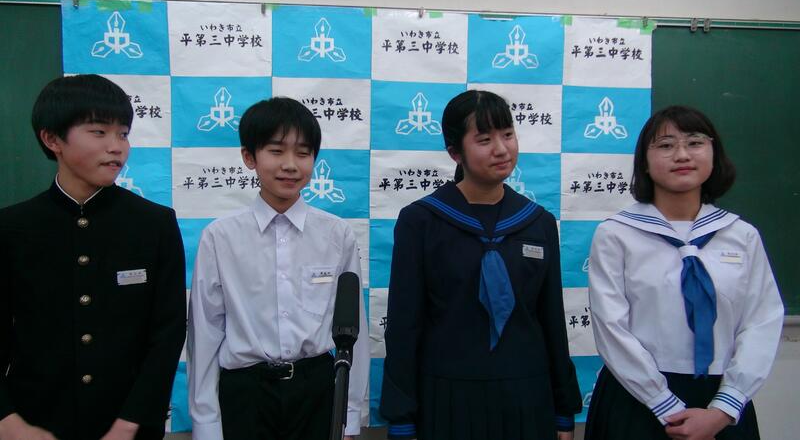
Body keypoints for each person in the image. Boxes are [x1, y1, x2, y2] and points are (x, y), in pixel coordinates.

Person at [379, 89, 582, 440]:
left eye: (508, 134)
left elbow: (551, 319)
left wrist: (564, 410)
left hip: (527, 396)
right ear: (455, 152)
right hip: (447, 396)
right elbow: (404, 325)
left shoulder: (538, 223)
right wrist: (401, 418)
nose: (501, 149)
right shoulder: (421, 222)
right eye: (484, 139)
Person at [0, 74, 187, 440]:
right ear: (52, 139)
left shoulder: (154, 224)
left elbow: (167, 333)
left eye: (123, 134)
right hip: (33, 423)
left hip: (128, 425)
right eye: (99, 132)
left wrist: (131, 422)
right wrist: (8, 421)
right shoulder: (12, 227)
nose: (116, 147)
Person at [585, 106, 784, 440]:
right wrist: (663, 403)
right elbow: (611, 326)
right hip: (637, 399)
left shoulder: (742, 235)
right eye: (665, 145)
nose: (682, 155)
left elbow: (761, 322)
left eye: (695, 143)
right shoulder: (616, 234)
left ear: (714, 154)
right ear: (644, 162)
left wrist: (724, 408)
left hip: (722, 402)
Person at [187, 97, 368, 440]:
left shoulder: (336, 234)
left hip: (317, 390)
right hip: (245, 393)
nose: (290, 165)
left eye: (303, 153)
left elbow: (351, 330)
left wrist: (350, 416)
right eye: (276, 151)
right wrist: (206, 425)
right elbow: (206, 333)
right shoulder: (220, 237)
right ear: (249, 157)